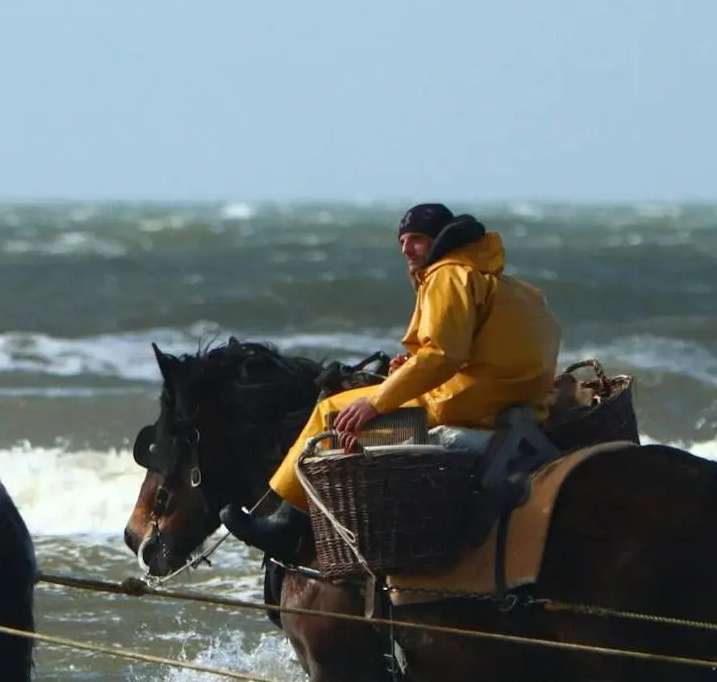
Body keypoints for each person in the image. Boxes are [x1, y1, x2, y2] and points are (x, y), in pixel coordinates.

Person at [221, 202, 561, 562]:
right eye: (402, 241)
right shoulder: (508, 284)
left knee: (330, 411)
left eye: (416, 239)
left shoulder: (448, 275)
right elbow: (481, 349)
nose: (406, 249)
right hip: (516, 401)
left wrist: (376, 402)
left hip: (467, 403)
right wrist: (411, 367)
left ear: (440, 240)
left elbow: (443, 355)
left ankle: (286, 525)